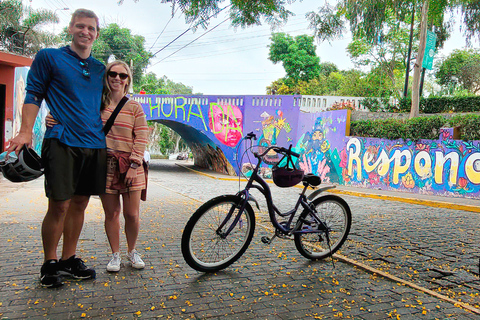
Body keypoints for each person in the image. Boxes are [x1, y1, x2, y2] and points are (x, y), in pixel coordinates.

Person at [7, 9, 106, 288]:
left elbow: (113, 100)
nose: (85, 32)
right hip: (62, 142)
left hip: (95, 144)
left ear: (96, 34)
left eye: (91, 28)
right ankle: (49, 262)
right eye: (80, 26)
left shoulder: (100, 69)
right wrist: (26, 131)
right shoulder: (49, 57)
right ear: (71, 28)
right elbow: (34, 93)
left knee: (80, 204)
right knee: (59, 205)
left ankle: (68, 259)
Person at [100, 61, 148, 272]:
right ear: (106, 76)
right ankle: (115, 255)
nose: (117, 78)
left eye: (122, 75)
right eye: (113, 74)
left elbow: (141, 136)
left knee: (132, 214)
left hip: (131, 164)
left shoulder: (134, 107)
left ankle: (132, 251)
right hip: (106, 165)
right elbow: (76, 118)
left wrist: (134, 164)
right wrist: (54, 117)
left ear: (128, 81)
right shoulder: (97, 105)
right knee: (111, 214)